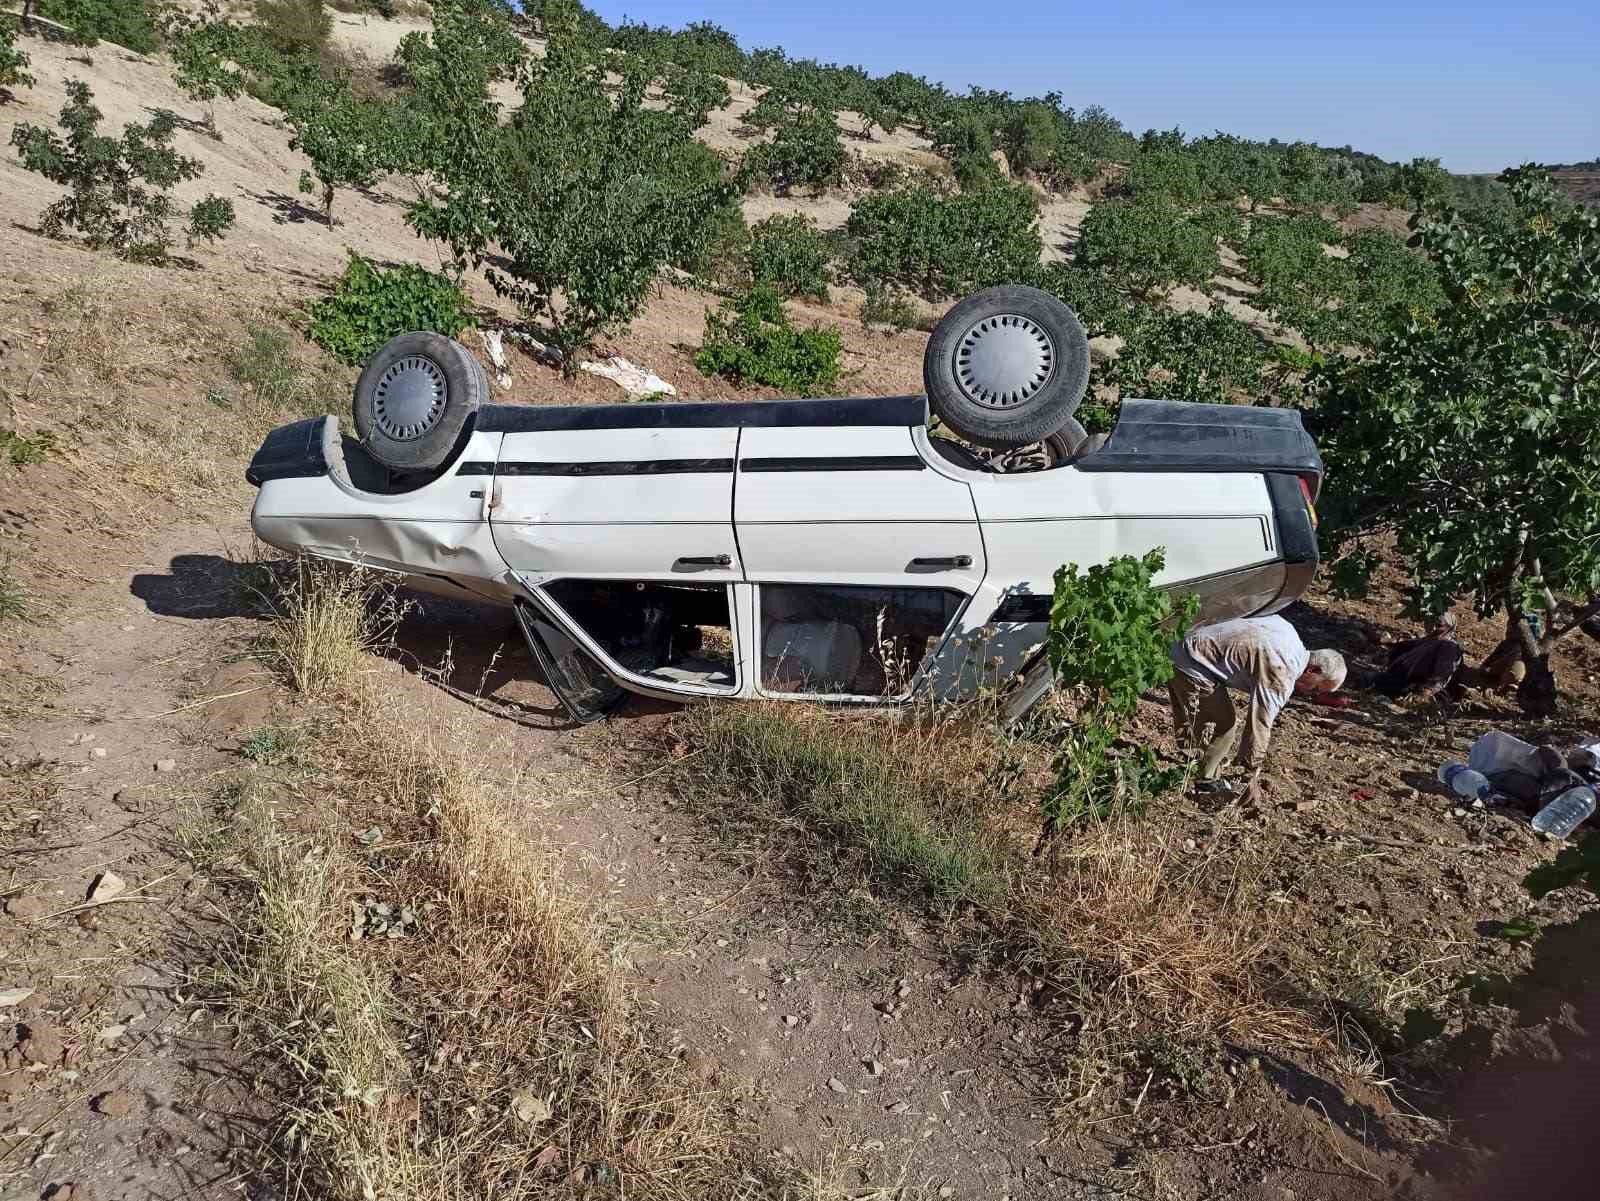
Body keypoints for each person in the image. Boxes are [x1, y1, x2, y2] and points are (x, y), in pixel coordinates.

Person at [1167, 615, 1346, 802]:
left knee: (1192, 711)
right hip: (1192, 661)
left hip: (1180, 641)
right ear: (1313, 671)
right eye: (1316, 687)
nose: (1311, 693)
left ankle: (1189, 761)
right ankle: (1205, 781)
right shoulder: (1283, 672)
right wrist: (1249, 774)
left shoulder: (1288, 631)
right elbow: (1259, 724)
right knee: (1225, 724)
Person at [1372, 612, 1464, 701]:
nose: (1433, 628)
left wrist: (1425, 693)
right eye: (1431, 622)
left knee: (1367, 680)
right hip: (1397, 680)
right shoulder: (1429, 641)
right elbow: (1405, 644)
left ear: (1450, 628)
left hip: (1411, 687)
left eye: (1438, 626)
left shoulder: (1449, 646)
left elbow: (1442, 674)